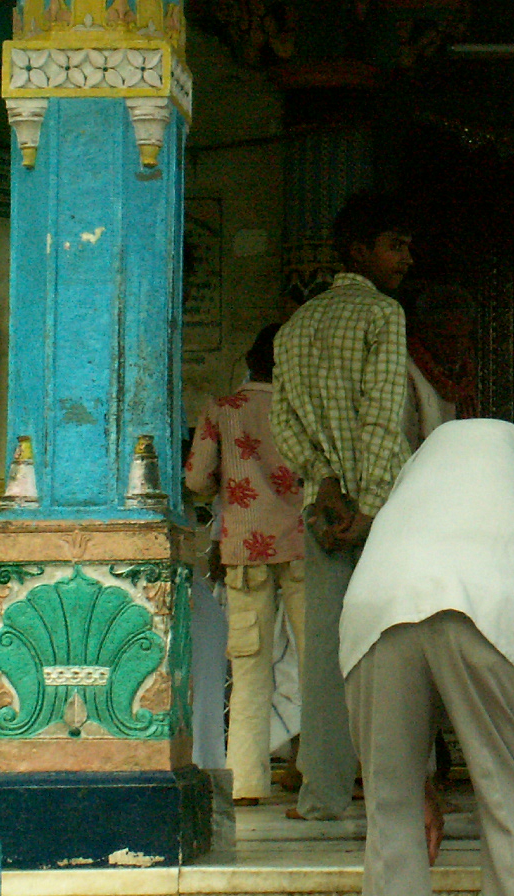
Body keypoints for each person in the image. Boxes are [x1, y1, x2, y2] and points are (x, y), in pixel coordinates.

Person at [341, 419, 514, 896]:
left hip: (373, 610)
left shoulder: (418, 465)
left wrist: (419, 783)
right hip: (490, 608)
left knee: (392, 818)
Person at [271, 190, 413, 821]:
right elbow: (381, 416)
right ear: (359, 251)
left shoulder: (296, 326)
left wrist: (326, 483)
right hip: (380, 511)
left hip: (324, 514)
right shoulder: (384, 315)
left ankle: (322, 794)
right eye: (395, 246)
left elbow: (286, 422)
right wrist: (372, 507)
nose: (406, 258)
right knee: (400, 647)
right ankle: (404, 790)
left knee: (327, 657)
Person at [185, 323, 306, 806]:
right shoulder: (303, 409)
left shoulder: (222, 409)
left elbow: (196, 480)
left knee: (250, 668)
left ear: (250, 362)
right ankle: (318, 772)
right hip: (302, 548)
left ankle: (247, 782)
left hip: (244, 553)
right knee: (317, 665)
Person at [404, 284, 477, 450]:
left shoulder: (468, 371)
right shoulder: (407, 371)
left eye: (463, 336)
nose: (457, 346)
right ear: (426, 332)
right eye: (448, 338)